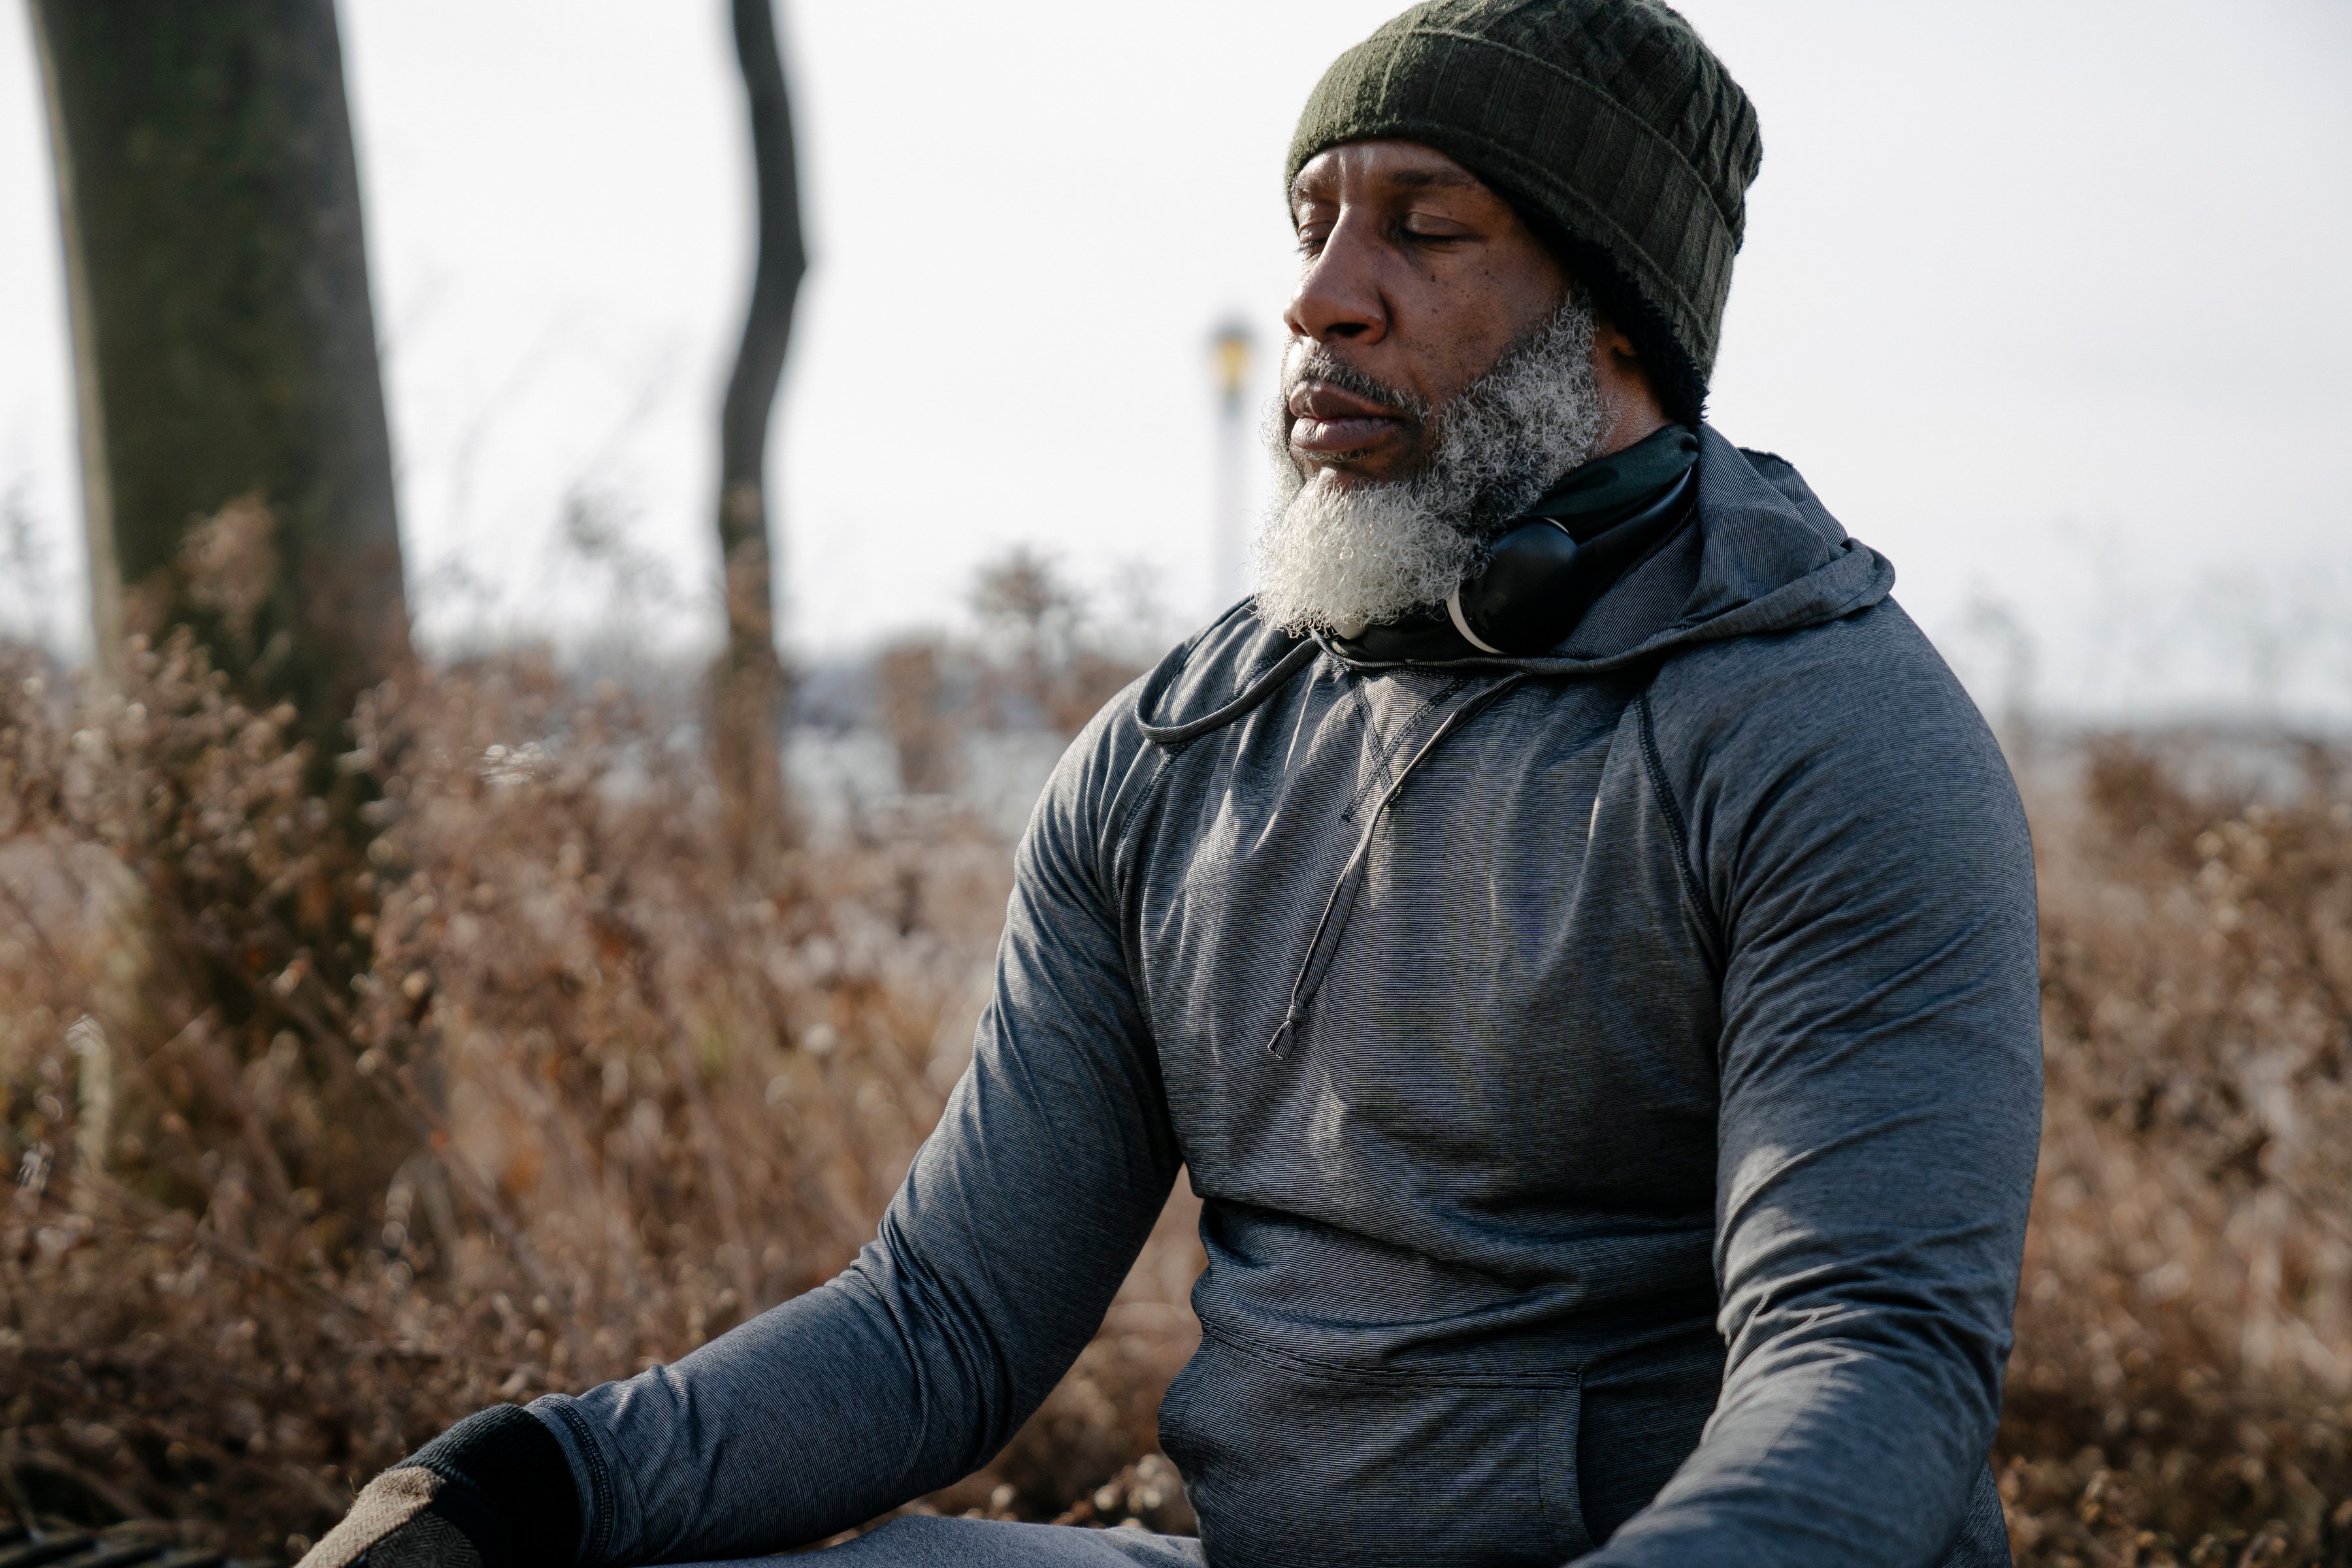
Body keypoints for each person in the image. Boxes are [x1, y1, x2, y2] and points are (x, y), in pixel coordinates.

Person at [302, 1, 2041, 1565]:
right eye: (1314, 225)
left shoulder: (1831, 737)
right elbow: (942, 1325)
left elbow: (1869, 1361)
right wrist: (524, 1486)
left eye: (1426, 231)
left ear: (1617, 329)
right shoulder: (1172, 753)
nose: (1321, 296)